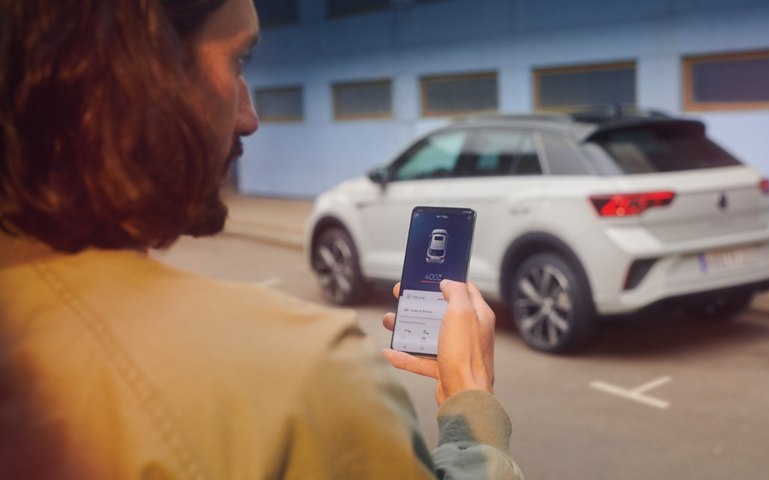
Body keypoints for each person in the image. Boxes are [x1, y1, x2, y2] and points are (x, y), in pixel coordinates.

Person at [0, 0, 524, 478]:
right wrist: (471, 401)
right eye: (237, 62)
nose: (249, 119)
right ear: (128, 72)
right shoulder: (307, 373)